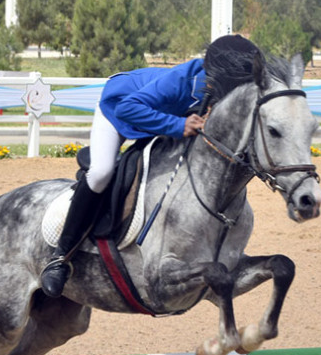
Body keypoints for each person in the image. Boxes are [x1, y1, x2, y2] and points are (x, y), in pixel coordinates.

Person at [40, 34, 263, 298]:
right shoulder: (182, 81)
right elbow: (127, 109)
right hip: (120, 106)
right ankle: (60, 258)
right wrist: (179, 126)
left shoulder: (225, 87)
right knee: (101, 173)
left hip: (158, 116)